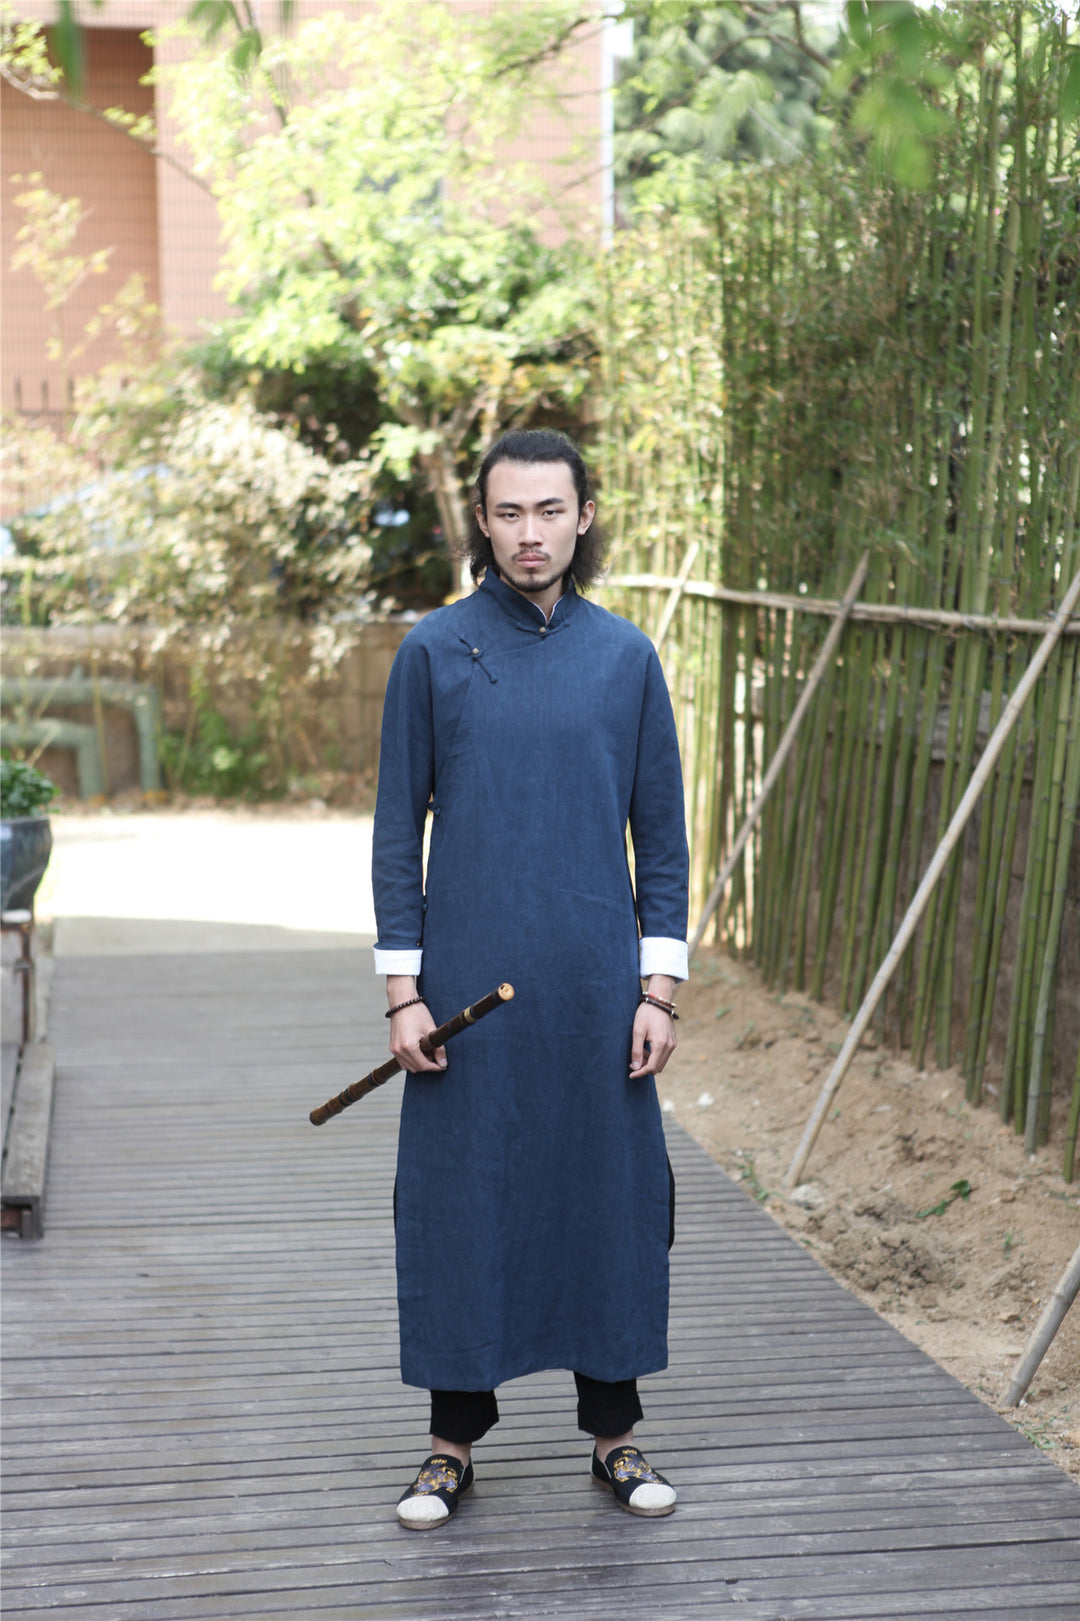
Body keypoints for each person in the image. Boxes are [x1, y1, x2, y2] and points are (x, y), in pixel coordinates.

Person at [371, 429, 689, 1530]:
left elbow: (663, 838)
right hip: (468, 992)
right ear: (484, 522)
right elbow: (394, 837)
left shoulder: (626, 658)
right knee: (463, 1198)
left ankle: (616, 1435)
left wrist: (657, 989)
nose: (529, 534)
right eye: (508, 513)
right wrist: (404, 993)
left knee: (608, 1195)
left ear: (583, 516)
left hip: (598, 988)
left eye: (550, 510)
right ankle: (448, 1447)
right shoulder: (433, 651)